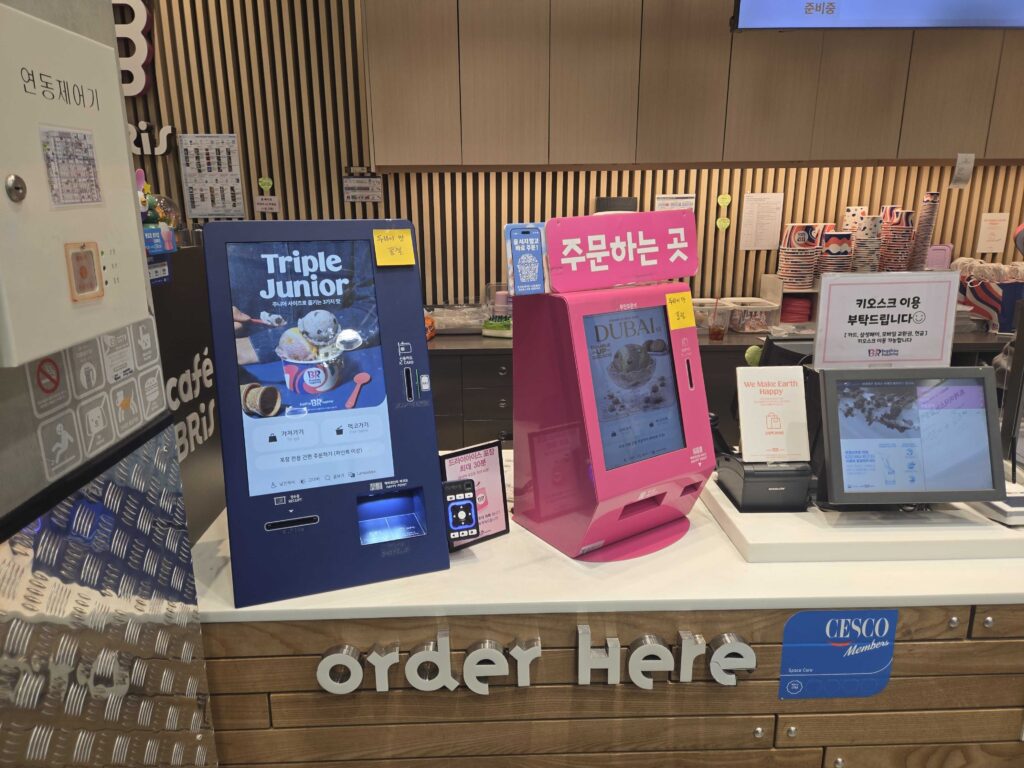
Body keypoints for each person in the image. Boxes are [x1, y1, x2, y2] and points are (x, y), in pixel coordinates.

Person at [231, 240, 380, 365]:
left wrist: (258, 345)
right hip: (247, 375)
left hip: (338, 367)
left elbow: (376, 307)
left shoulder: (351, 230)